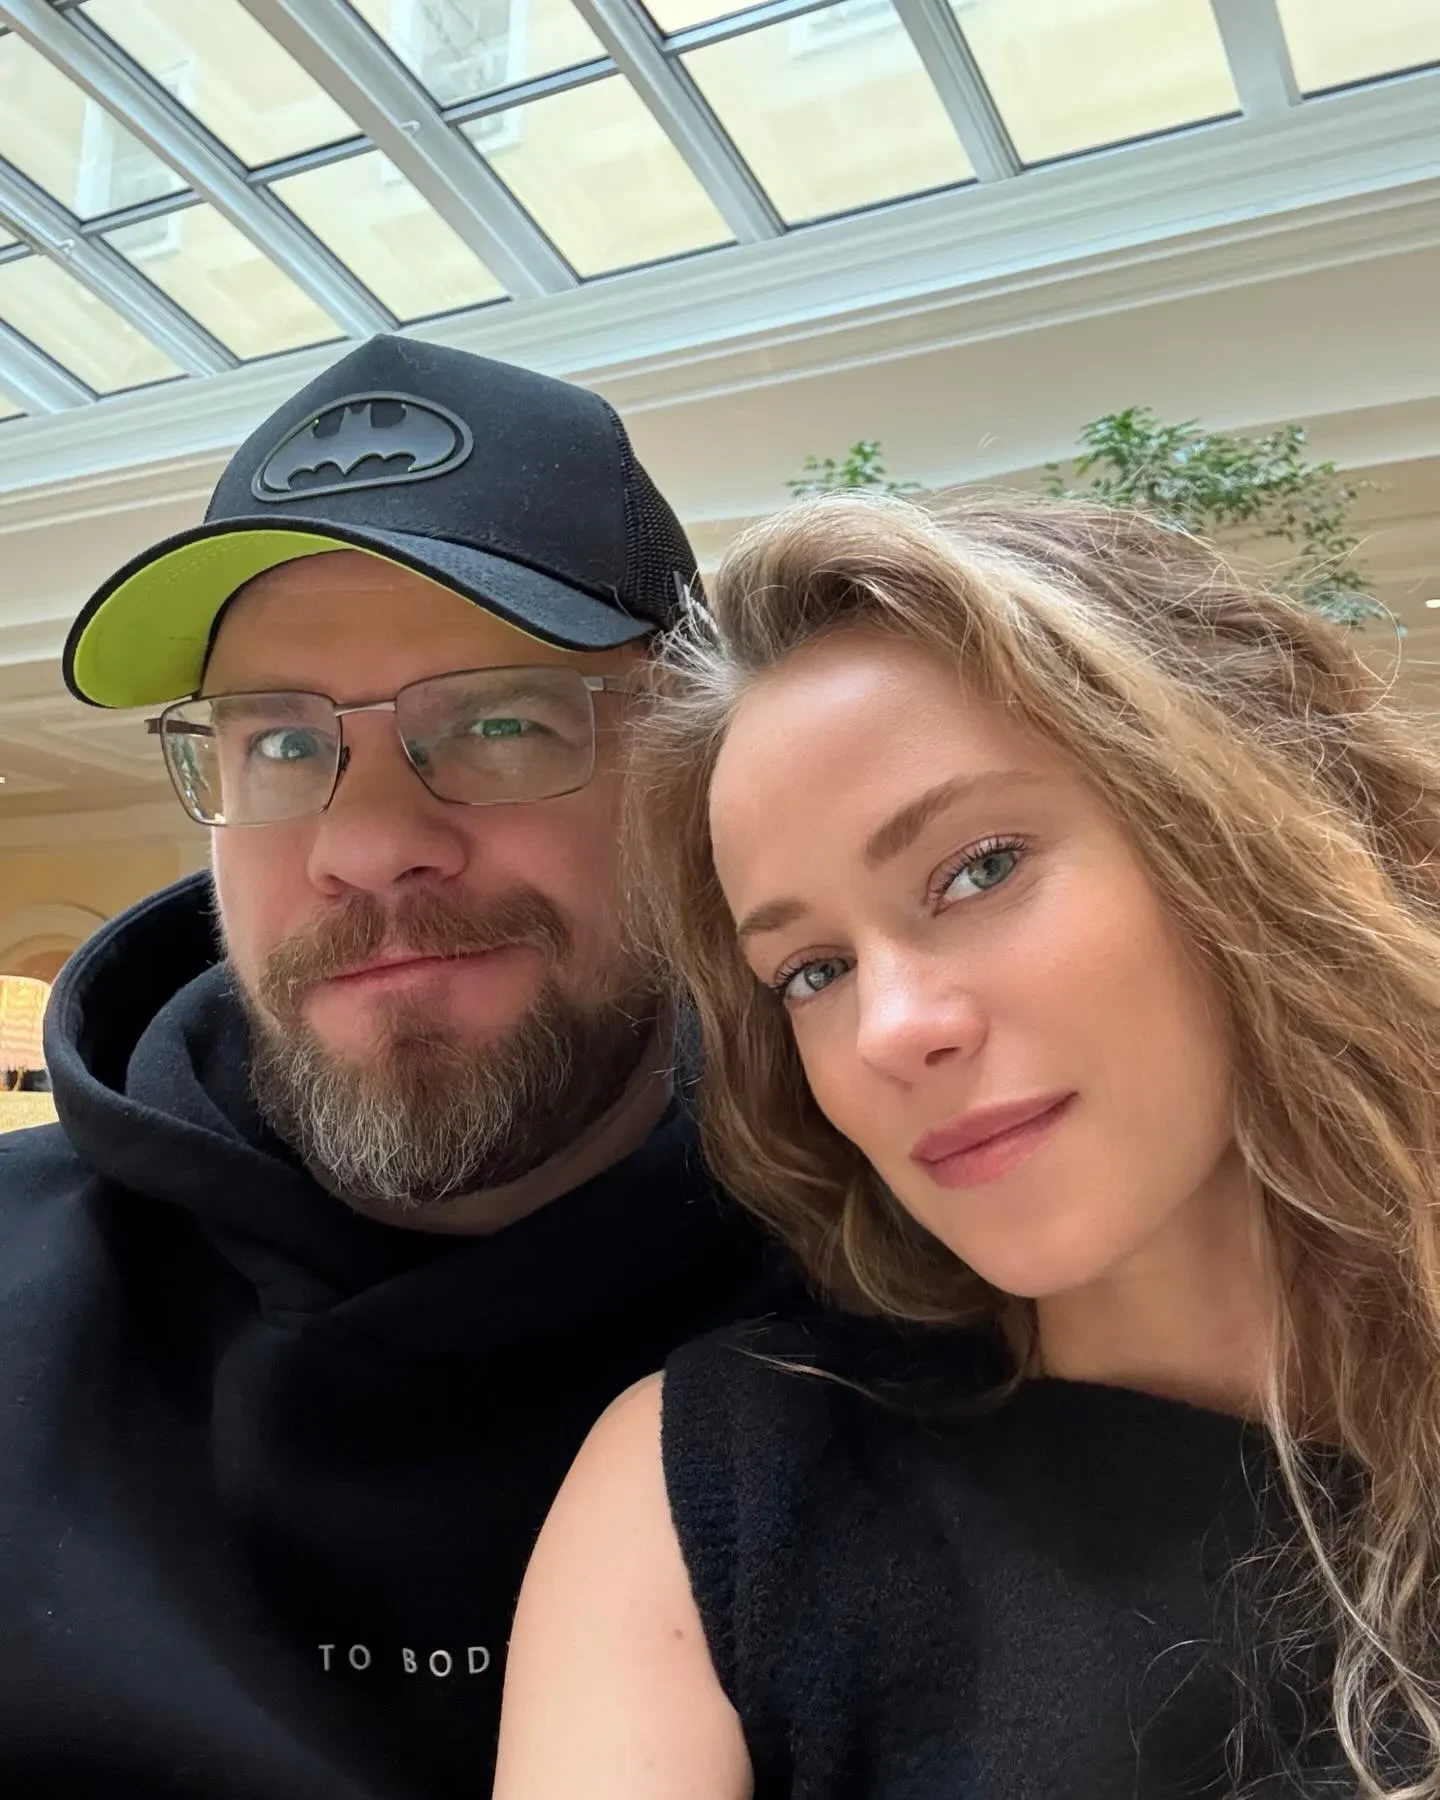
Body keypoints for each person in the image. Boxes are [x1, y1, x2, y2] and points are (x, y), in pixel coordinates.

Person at [494, 491, 1440, 1798]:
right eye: (812, 970)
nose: (891, 1031)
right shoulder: (724, 1498)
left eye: (980, 869)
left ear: (1254, 831)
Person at [0, 335, 796, 1799]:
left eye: (499, 723)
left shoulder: (910, 1295)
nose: (366, 845)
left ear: (696, 775)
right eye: (279, 745)